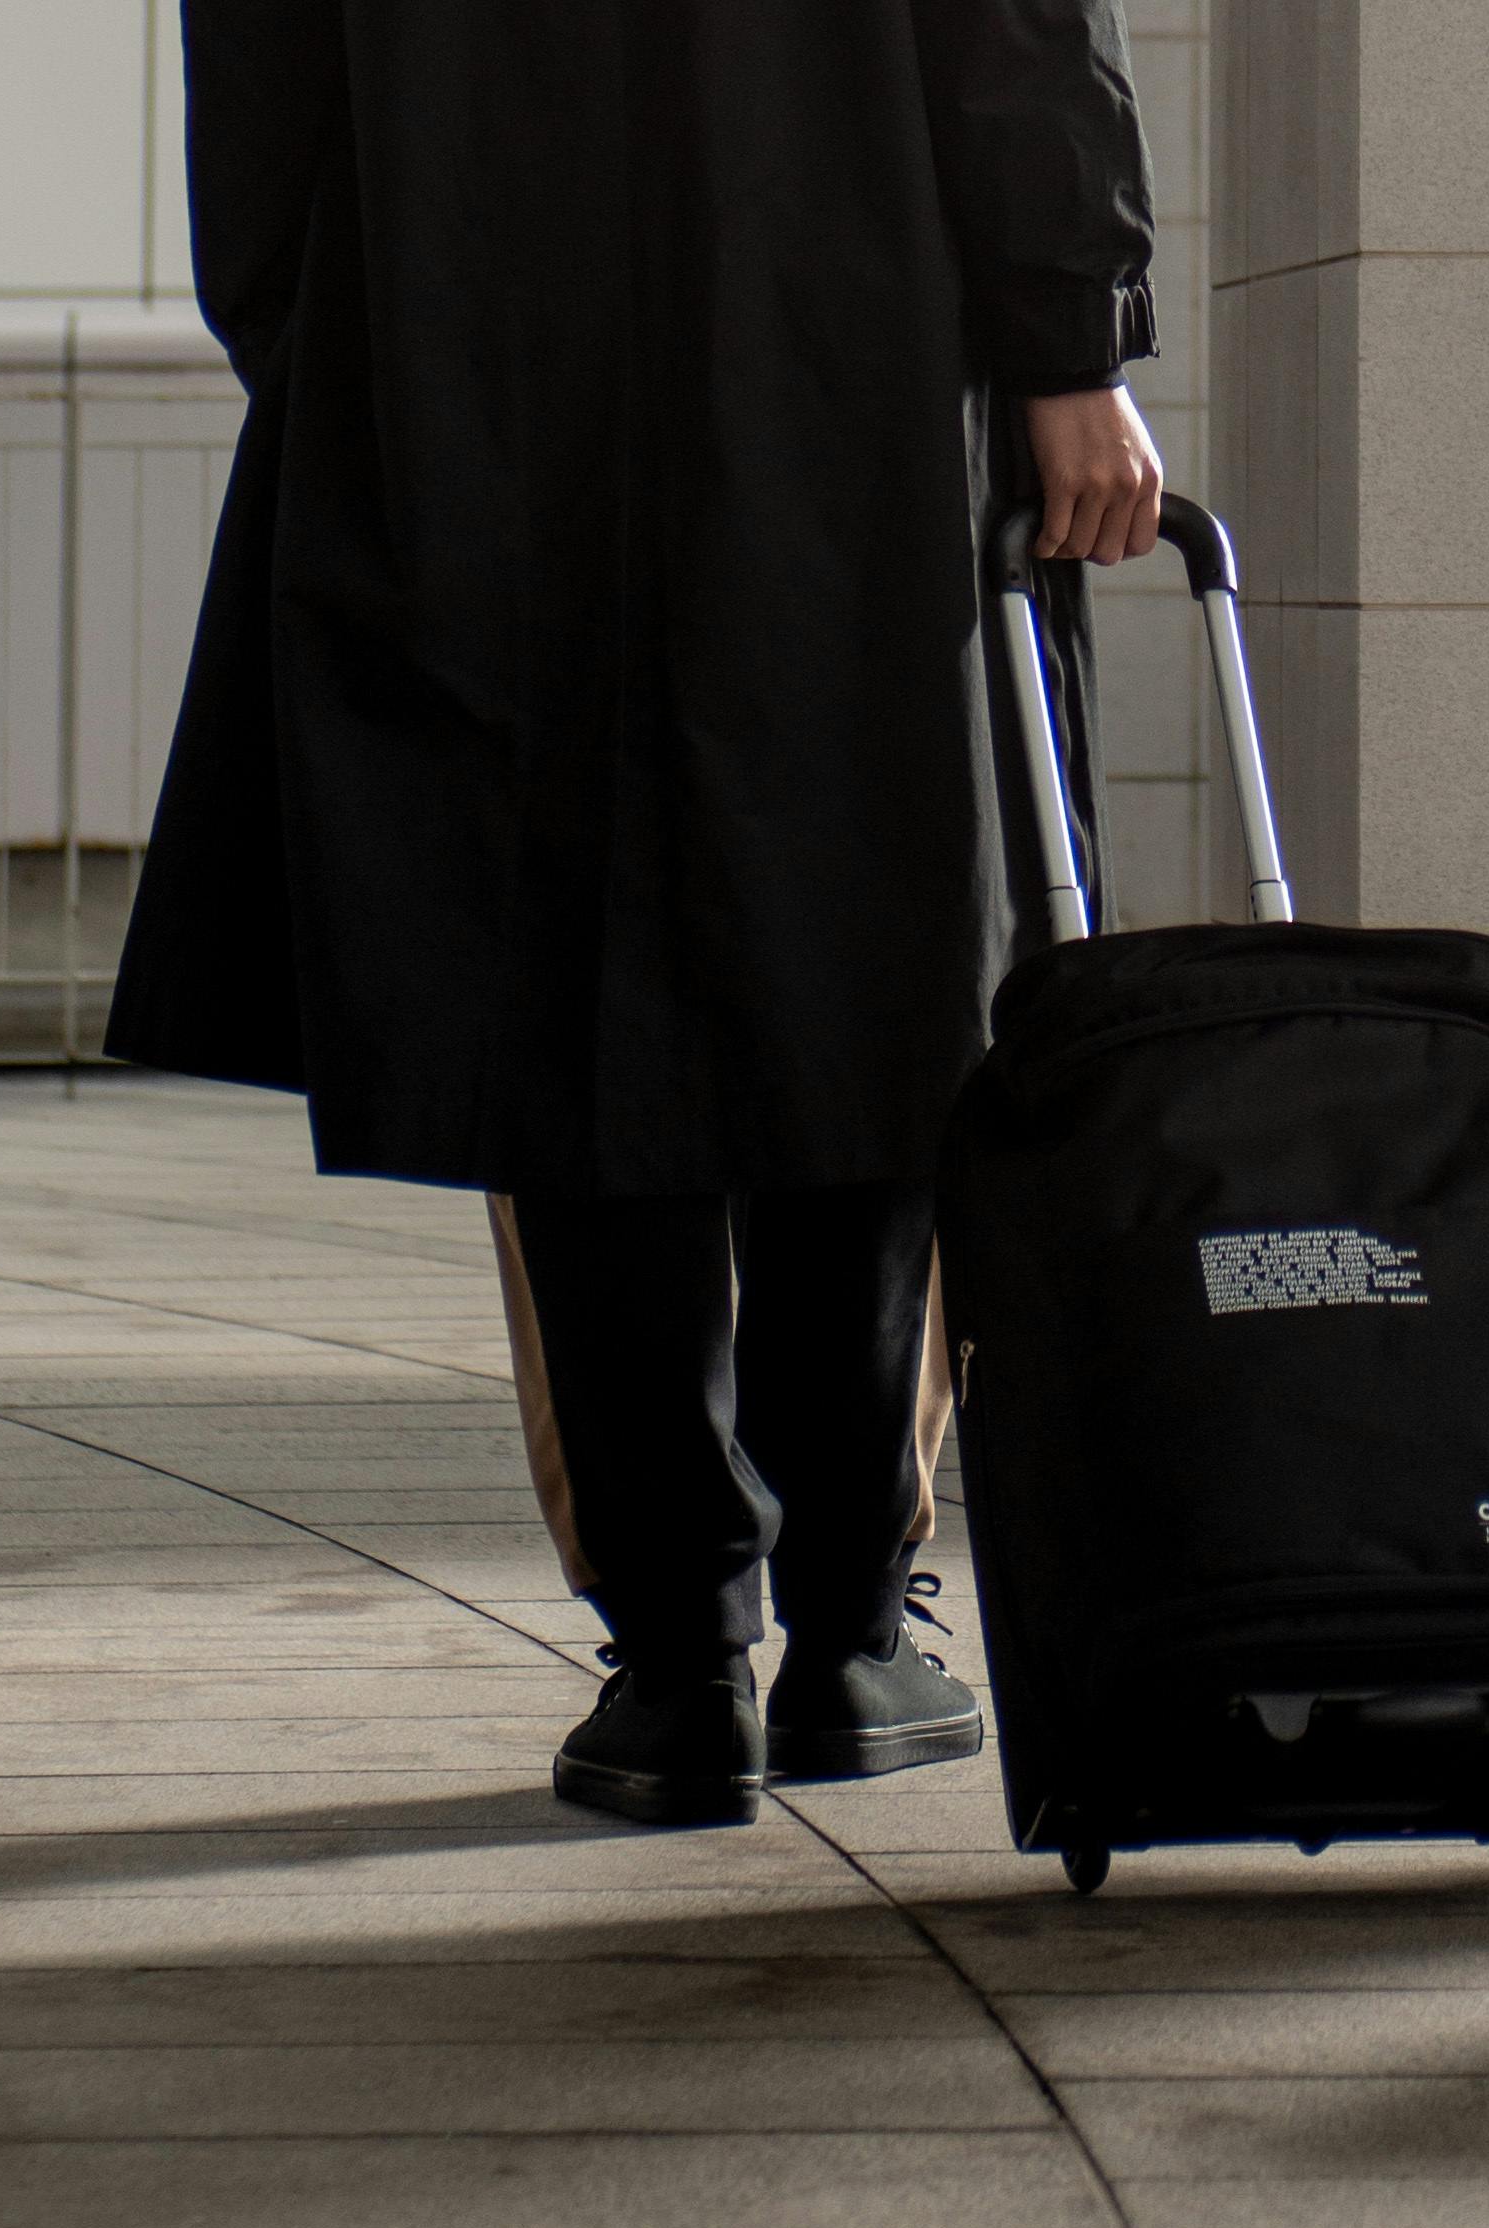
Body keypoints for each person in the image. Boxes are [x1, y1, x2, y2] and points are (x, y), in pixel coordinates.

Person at [110, 2, 1165, 1824]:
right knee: (882, 966)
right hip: (854, 356)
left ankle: (680, 1655)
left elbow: (259, 79)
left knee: (559, 978)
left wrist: (342, 334)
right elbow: (1020, 25)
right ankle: (850, 1621)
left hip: (475, 356)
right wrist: (1070, 337)